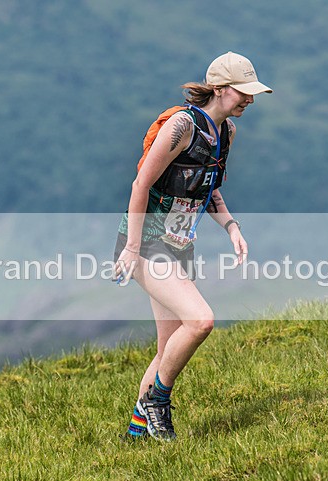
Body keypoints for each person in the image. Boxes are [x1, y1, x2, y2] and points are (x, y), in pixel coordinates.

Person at [114, 51, 272, 441]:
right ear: (219, 90)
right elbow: (141, 186)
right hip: (147, 240)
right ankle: (158, 401)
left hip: (178, 243)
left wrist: (231, 227)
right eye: (242, 92)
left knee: (168, 348)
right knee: (201, 320)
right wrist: (132, 248)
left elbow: (208, 189)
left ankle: (135, 437)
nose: (249, 99)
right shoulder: (182, 125)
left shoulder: (226, 134)